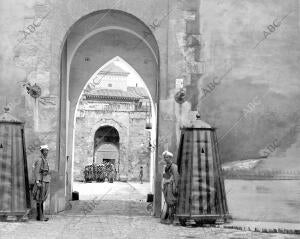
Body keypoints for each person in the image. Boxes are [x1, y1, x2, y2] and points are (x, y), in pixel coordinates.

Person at [32, 145, 51, 221]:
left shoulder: (44, 159)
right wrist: (37, 182)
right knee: (40, 199)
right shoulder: (40, 160)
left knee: (42, 199)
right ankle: (41, 217)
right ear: (42, 151)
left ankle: (40, 216)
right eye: (45, 150)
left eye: (47, 150)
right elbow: (36, 171)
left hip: (45, 180)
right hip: (41, 181)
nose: (46, 152)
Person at [160, 151, 179, 224]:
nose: (165, 158)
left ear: (170, 158)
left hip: (171, 186)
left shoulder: (174, 166)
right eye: (165, 157)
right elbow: (164, 176)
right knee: (167, 202)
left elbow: (176, 177)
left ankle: (171, 218)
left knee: (171, 202)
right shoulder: (165, 166)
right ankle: (167, 217)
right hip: (165, 185)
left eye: (167, 157)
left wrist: (176, 186)